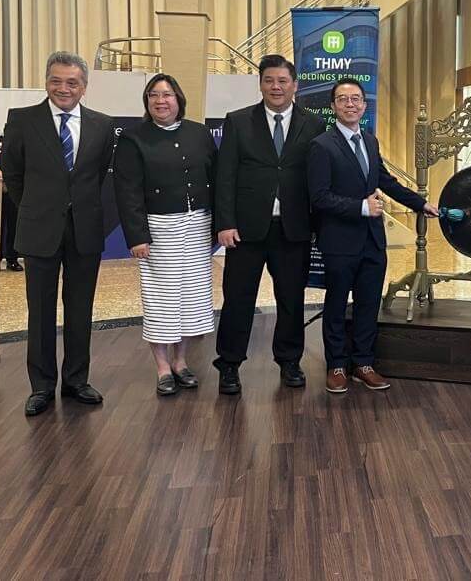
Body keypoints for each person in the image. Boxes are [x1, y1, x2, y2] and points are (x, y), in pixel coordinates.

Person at [1, 51, 117, 416]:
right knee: (40, 311)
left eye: (72, 82)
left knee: (80, 308)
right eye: (56, 80)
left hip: (85, 230)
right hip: (40, 229)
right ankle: (41, 386)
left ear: (84, 86)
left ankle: (76, 381)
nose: (63, 88)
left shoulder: (102, 125)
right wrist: (38, 208)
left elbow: (98, 175)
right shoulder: (22, 120)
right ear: (46, 81)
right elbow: (13, 175)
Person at [307, 77, 438, 394]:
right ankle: (337, 366)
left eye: (356, 98)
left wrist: (420, 203)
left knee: (368, 305)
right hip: (339, 242)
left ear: (364, 105)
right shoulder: (321, 146)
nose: (350, 104)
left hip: (372, 242)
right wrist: (361, 207)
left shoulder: (369, 141)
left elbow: (385, 181)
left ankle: (363, 364)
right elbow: (319, 197)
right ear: (333, 106)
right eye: (343, 99)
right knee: (336, 305)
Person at [213, 54, 324, 395]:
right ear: (260, 84)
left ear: (295, 85)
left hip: (293, 228)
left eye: (282, 81)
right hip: (245, 230)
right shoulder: (238, 121)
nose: (276, 87)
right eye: (269, 80)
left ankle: (289, 361)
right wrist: (225, 223)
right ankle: (229, 364)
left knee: (290, 299)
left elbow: (318, 179)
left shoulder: (314, 124)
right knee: (237, 299)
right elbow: (225, 176)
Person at [113, 75, 217, 397]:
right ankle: (162, 367)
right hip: (159, 229)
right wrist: (137, 236)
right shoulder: (133, 138)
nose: (161, 101)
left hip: (198, 227)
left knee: (191, 297)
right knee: (162, 298)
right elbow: (127, 191)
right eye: (154, 95)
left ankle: (181, 361)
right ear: (147, 101)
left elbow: (216, 179)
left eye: (167, 94)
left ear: (178, 99)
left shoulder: (199, 134)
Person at [0, 134, 22, 271]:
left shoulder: (21, 141)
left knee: (14, 225)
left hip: (15, 190)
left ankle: (12, 259)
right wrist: (3, 178)